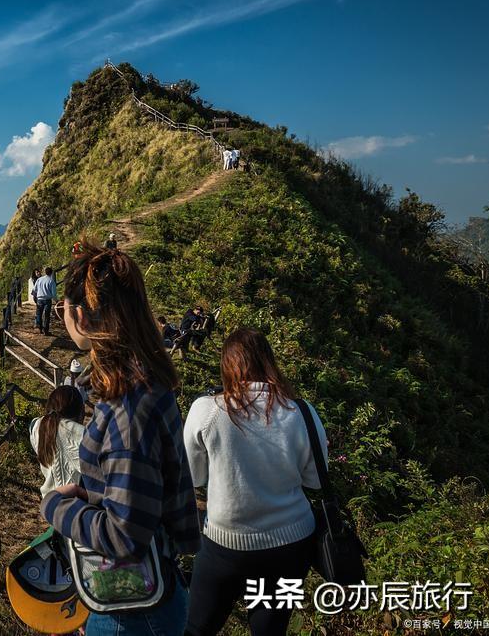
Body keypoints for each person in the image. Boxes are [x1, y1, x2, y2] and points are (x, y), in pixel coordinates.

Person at [44, 240, 199, 634]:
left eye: (63, 308)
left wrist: (55, 509)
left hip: (131, 613)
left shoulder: (127, 410)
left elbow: (123, 535)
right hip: (149, 591)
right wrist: (92, 493)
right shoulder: (146, 386)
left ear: (79, 316)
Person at [183, 328, 327, 636]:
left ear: (227, 366)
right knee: (269, 630)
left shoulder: (207, 410)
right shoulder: (302, 411)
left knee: (195, 627)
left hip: (225, 543)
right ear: (268, 362)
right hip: (292, 544)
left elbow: (194, 477)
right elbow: (315, 480)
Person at [29, 385, 88, 497]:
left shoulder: (38, 426)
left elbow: (33, 425)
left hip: (49, 502)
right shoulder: (82, 435)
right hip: (75, 504)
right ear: (80, 411)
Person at [33, 265, 57, 336]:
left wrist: (35, 297)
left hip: (39, 299)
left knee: (39, 314)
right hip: (47, 300)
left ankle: (39, 328)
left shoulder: (39, 279)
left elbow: (35, 290)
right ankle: (46, 331)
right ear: (51, 273)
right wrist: (56, 301)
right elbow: (53, 293)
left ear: (45, 272)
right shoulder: (51, 281)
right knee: (47, 315)